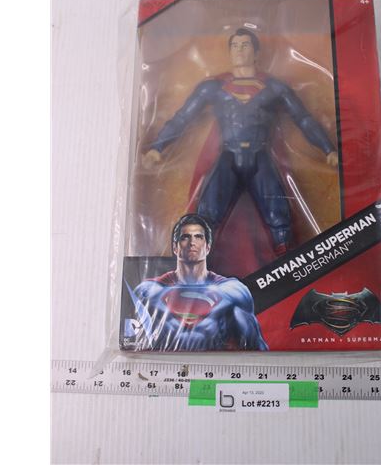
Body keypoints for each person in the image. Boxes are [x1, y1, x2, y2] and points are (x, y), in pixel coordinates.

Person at [142, 28, 338, 255]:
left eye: (245, 45)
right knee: (207, 214)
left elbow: (303, 119)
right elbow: (183, 118)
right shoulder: (213, 87)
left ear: (256, 52)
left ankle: (287, 264)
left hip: (261, 158)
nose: (239, 50)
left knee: (279, 216)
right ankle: (199, 263)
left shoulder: (274, 88)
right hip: (228, 158)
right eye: (235, 46)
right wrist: (157, 148)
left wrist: (328, 150)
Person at [125, 213, 268, 351]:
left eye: (198, 237)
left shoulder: (233, 291)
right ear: (175, 247)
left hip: (215, 363)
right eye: (185, 237)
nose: (192, 243)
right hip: (165, 362)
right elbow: (131, 339)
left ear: (208, 247)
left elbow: (257, 346)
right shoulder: (150, 290)